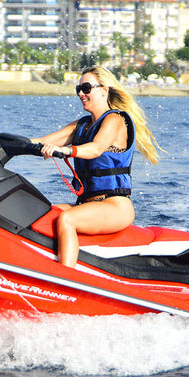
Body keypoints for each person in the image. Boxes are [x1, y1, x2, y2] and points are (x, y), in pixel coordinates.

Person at [31, 66, 161, 268]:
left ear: (104, 90)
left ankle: (64, 279)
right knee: (42, 213)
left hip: (115, 206)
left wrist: (67, 150)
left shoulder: (116, 119)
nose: (81, 93)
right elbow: (40, 141)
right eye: (78, 89)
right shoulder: (82, 125)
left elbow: (96, 148)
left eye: (86, 87)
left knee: (67, 219)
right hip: (87, 203)